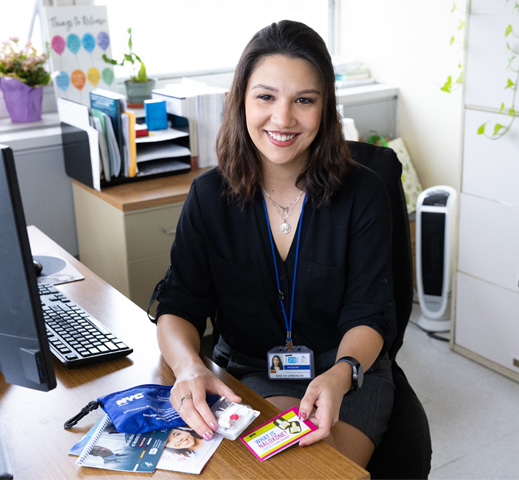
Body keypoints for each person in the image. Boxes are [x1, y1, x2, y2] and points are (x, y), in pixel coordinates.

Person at [151, 20, 396, 468]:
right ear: (239, 101)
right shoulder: (210, 196)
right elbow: (179, 304)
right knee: (281, 469)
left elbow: (369, 311)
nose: (283, 119)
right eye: (266, 97)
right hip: (255, 367)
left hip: (346, 369)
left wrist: (341, 375)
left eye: (304, 100)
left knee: (324, 471)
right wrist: (190, 366)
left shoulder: (364, 193)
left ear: (325, 109)